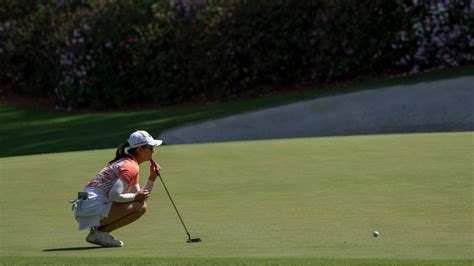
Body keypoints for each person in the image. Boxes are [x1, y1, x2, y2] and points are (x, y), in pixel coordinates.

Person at [72, 130, 162, 247]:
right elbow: (116, 196)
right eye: (150, 147)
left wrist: (152, 178)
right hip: (90, 206)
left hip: (85, 205)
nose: (153, 150)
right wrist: (135, 196)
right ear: (140, 149)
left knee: (139, 204)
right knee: (141, 207)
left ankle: (99, 233)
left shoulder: (128, 163)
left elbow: (140, 197)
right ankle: (100, 233)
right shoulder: (130, 167)